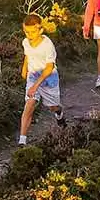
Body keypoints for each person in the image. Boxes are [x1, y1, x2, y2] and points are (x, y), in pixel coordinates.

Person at [19, 14, 66, 146]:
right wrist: (24, 69)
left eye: (33, 32)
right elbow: (27, 55)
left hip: (48, 79)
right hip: (33, 76)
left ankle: (59, 113)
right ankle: (22, 140)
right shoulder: (25, 42)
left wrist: (36, 86)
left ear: (40, 30)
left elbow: (49, 67)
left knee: (53, 107)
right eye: (26, 32)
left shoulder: (47, 45)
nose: (29, 35)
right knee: (29, 104)